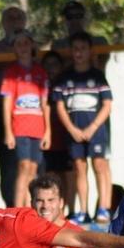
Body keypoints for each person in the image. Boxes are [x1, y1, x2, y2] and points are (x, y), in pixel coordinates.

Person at [51, 32, 113, 224]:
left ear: (90, 51)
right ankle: (83, 210)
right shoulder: (64, 78)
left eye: (83, 49)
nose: (79, 53)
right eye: (75, 49)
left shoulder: (98, 76)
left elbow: (107, 104)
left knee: (99, 165)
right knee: (79, 168)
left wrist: (93, 127)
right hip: (74, 130)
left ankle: (104, 208)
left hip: (96, 130)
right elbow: (60, 105)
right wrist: (72, 129)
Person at [0, 29, 50, 208]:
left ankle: (29, 209)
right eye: (18, 44)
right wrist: (9, 132)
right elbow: (7, 104)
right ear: (13, 48)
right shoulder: (11, 73)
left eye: (26, 43)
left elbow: (45, 104)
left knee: (33, 169)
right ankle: (18, 209)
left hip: (37, 127)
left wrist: (48, 131)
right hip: (19, 127)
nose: (23, 47)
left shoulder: (40, 72)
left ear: (32, 45)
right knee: (23, 166)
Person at [0, 6, 28, 207]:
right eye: (9, 17)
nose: (14, 21)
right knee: (8, 164)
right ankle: (13, 207)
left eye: (18, 17)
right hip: (4, 110)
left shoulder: (32, 45)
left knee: (30, 163)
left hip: (31, 113)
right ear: (3, 23)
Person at [39, 50, 74, 204]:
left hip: (65, 138)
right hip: (46, 139)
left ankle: (67, 209)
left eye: (54, 65)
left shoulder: (67, 86)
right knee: (50, 175)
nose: (51, 68)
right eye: (47, 65)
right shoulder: (41, 87)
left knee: (67, 174)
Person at [51, 1, 110, 70]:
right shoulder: (58, 44)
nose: (74, 20)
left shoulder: (100, 41)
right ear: (64, 20)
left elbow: (100, 66)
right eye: (69, 17)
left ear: (84, 18)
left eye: (78, 16)